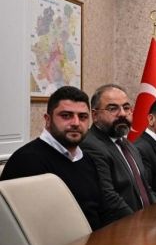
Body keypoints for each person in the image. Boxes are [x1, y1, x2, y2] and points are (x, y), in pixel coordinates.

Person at [0, 86, 114, 230]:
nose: (76, 123)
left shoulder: (86, 158)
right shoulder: (27, 161)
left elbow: (102, 210)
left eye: (83, 117)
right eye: (66, 115)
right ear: (48, 120)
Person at [81, 84, 156, 219]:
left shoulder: (128, 145)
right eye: (113, 108)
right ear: (95, 115)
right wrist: (141, 223)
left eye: (126, 108)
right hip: (124, 226)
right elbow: (108, 198)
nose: (122, 114)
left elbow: (145, 189)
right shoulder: (91, 145)